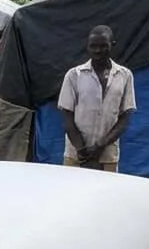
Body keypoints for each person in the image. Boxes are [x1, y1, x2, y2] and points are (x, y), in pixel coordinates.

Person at [57, 25, 136, 172]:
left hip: (107, 156)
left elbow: (124, 118)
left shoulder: (125, 76)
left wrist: (100, 146)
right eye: (93, 46)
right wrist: (81, 149)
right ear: (87, 47)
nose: (98, 50)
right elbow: (67, 116)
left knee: (106, 194)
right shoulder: (74, 75)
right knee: (73, 193)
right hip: (76, 155)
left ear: (113, 45)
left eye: (103, 46)